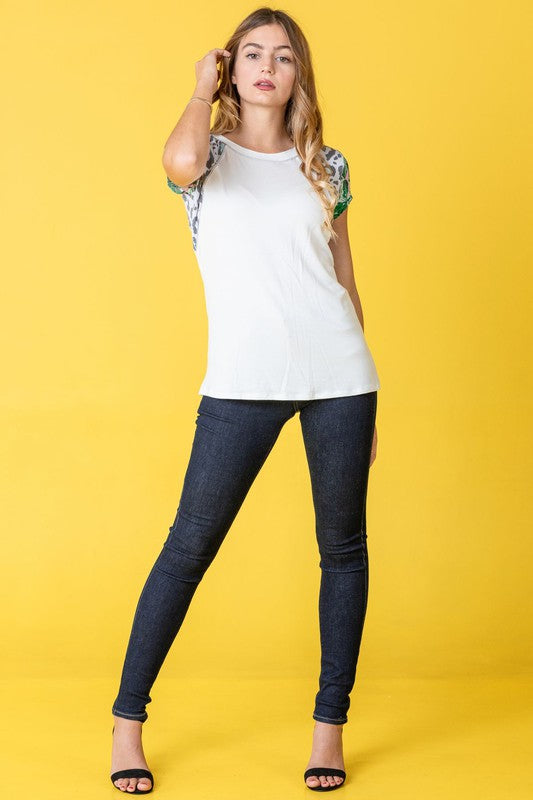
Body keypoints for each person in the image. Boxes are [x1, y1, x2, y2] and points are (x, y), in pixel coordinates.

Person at [110, 6, 380, 794]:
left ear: (300, 74)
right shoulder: (210, 159)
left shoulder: (325, 164)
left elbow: (344, 280)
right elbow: (180, 157)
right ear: (232, 68)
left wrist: (372, 391)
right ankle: (128, 723)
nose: (268, 66)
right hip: (241, 383)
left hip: (341, 379)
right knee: (186, 551)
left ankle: (327, 731)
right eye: (251, 54)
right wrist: (201, 87)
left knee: (343, 552)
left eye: (284, 56)